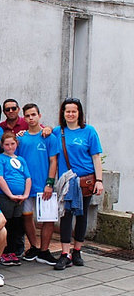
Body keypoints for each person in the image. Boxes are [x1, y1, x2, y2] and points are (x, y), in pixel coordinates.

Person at [52, 98, 103, 270]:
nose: (71, 114)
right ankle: (65, 253)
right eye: (68, 111)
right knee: (66, 216)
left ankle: (77, 251)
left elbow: (96, 157)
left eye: (74, 111)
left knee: (82, 216)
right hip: (67, 182)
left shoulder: (89, 131)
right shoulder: (57, 132)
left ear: (79, 113)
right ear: (63, 113)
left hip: (86, 180)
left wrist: (99, 180)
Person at [17, 103, 59, 265]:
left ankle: (44, 250)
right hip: (27, 187)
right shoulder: (21, 139)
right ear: (24, 118)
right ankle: (34, 246)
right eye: (27, 115)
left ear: (39, 115)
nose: (31, 118)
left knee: (48, 219)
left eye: (33, 114)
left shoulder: (49, 137)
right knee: (27, 217)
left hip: (44, 186)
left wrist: (49, 183)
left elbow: (53, 161)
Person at [0, 131, 31, 266]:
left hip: (20, 199)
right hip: (5, 197)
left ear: (17, 144)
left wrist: (25, 194)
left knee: (16, 225)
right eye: (7, 144)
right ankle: (3, 251)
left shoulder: (21, 159)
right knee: (5, 224)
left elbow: (28, 178)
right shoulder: (0, 159)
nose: (10, 147)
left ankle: (13, 251)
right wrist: (10, 195)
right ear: (2, 145)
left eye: (12, 144)